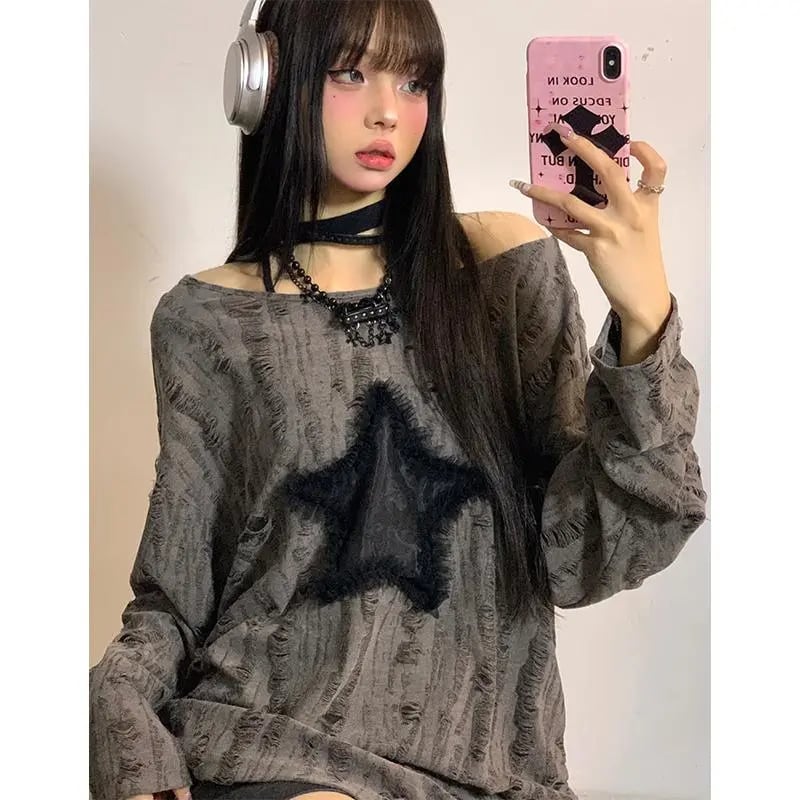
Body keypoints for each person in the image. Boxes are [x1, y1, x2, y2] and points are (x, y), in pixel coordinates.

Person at [88, 1, 707, 799]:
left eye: (414, 82)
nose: (387, 111)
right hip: (271, 749)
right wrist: (127, 733)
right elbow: (176, 592)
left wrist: (645, 319)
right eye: (350, 73)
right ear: (264, 82)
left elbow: (585, 555)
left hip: (487, 770)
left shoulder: (503, 269)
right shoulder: (205, 318)